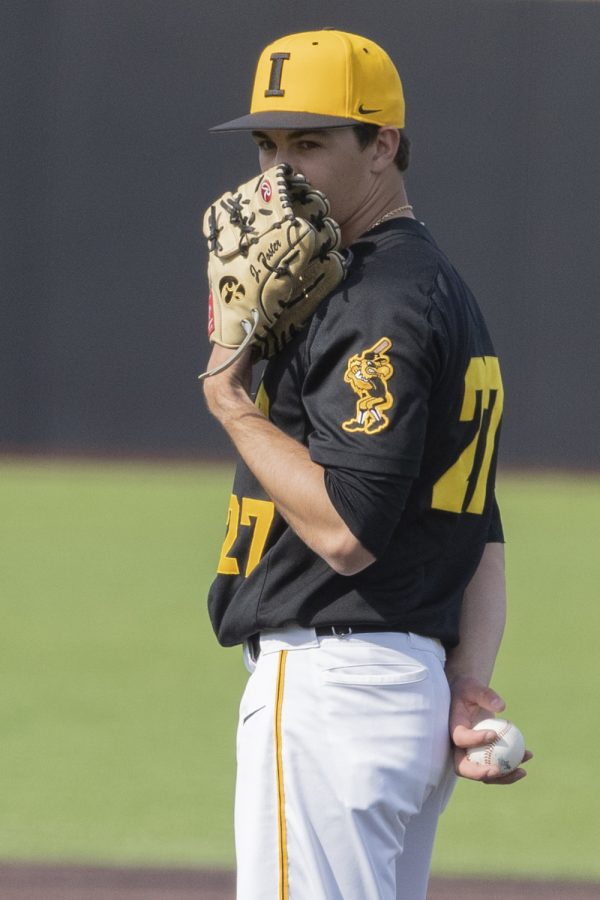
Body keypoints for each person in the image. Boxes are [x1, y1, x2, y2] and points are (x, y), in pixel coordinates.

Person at [202, 28, 530, 900]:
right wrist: (467, 684)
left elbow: (347, 531)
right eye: (269, 144)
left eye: (310, 142)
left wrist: (231, 402)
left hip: (331, 692)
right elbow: (479, 528)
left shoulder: (372, 298)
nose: (279, 170)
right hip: (399, 692)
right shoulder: (434, 285)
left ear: (382, 144)